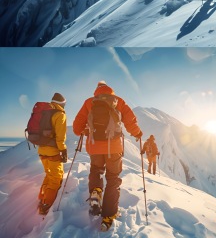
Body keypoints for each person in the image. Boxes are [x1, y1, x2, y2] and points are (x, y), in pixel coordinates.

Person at [73, 81, 143, 231]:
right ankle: (108, 216)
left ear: (96, 90)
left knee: (96, 170)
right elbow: (130, 120)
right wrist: (137, 133)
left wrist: (84, 131)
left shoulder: (89, 102)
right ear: (110, 90)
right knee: (113, 179)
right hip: (114, 147)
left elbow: (76, 127)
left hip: (94, 146)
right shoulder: (118, 101)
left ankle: (96, 192)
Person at [35, 93, 68, 215]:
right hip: (53, 151)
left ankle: (42, 197)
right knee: (56, 178)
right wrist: (63, 150)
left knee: (49, 175)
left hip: (41, 150)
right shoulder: (60, 115)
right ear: (62, 104)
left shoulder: (43, 113)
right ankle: (45, 205)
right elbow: (60, 137)